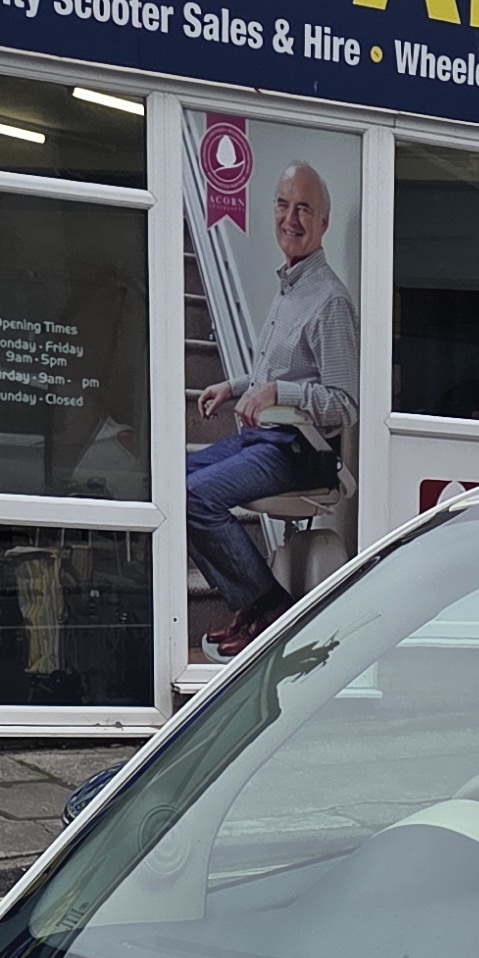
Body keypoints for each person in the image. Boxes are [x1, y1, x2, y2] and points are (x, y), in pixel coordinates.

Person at [185, 161, 356, 653]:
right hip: (264, 438)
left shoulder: (329, 301)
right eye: (283, 205)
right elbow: (281, 373)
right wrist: (236, 386)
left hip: (299, 448)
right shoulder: (289, 288)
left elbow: (344, 405)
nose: (291, 218)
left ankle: (269, 609)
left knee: (198, 497)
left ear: (324, 221)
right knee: (173, 485)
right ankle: (253, 606)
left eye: (305, 208)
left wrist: (278, 395)